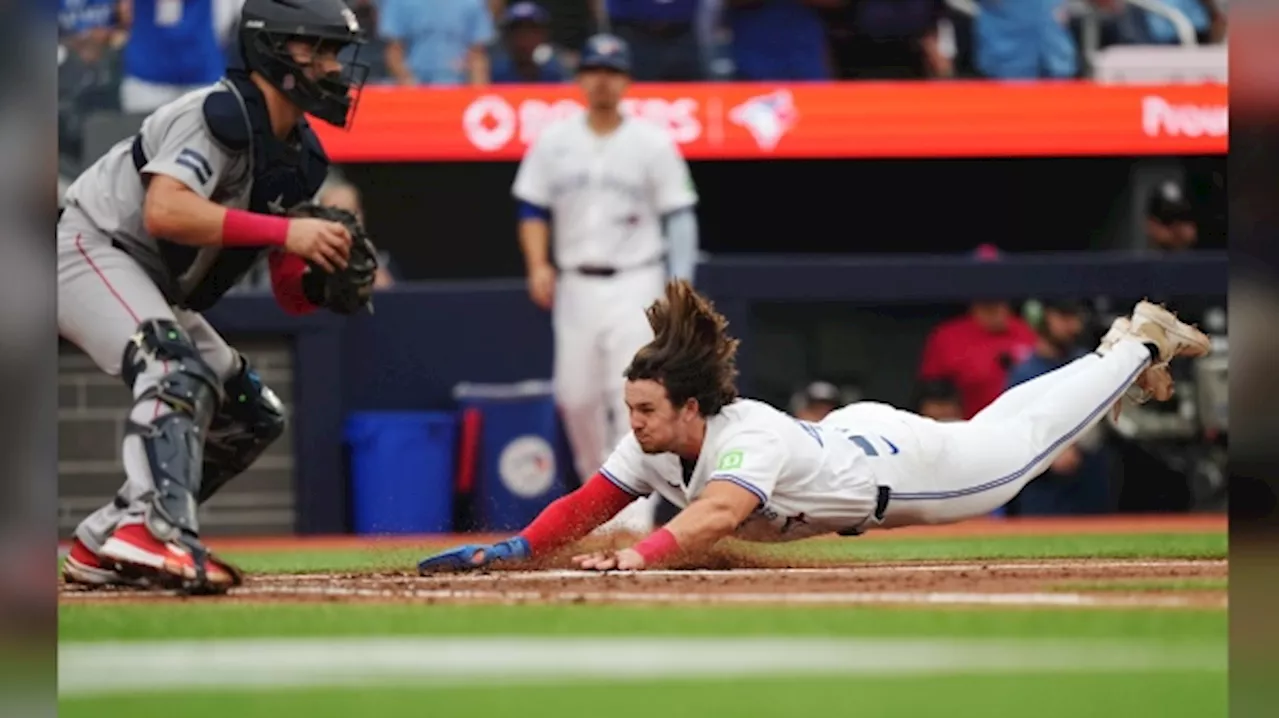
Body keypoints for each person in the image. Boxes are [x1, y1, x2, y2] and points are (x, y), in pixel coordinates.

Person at [418, 280, 1209, 573]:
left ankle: (1138, 341)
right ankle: (1120, 358)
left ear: (691, 407)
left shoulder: (741, 436)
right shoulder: (658, 441)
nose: (634, 424)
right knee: (1013, 423)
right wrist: (517, 547)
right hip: (850, 442)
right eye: (631, 410)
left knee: (1017, 451)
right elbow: (589, 505)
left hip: (906, 472)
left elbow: (719, 515)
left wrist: (639, 558)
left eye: (647, 409)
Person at [58, 0, 376, 595]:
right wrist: (288, 232)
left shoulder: (301, 160)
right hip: (85, 245)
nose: (334, 68)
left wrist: (318, 279)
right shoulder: (218, 112)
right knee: (174, 368)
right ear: (277, 50)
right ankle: (157, 530)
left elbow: (288, 297)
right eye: (323, 49)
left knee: (253, 415)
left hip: (148, 277)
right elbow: (166, 210)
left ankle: (105, 540)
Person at [511, 33, 699, 534]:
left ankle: (635, 517)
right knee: (575, 396)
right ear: (580, 79)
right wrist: (537, 264)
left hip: (637, 280)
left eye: (612, 72)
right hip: (575, 281)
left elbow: (680, 216)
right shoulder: (556, 140)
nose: (602, 80)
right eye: (594, 70)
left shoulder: (651, 142)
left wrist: (677, 286)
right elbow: (531, 206)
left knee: (631, 397)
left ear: (626, 80)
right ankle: (598, 506)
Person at [1003, 299, 1114, 516]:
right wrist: (1052, 455)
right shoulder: (1024, 373)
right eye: (1063, 317)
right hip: (1044, 485)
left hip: (1090, 476)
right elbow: (1013, 433)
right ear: (1041, 319)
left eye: (1075, 318)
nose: (1072, 326)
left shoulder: (1090, 363)